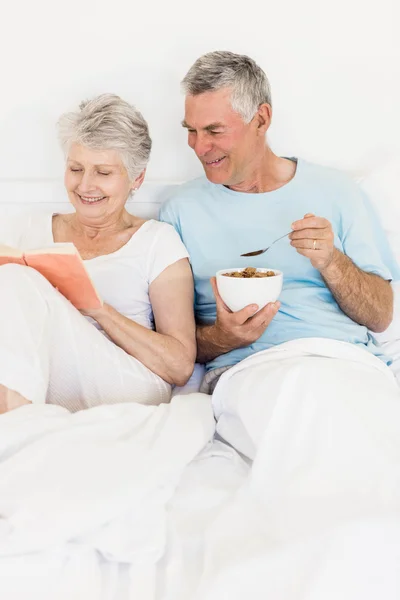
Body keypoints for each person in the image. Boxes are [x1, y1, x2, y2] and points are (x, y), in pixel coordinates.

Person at [159, 50, 399, 397]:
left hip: (344, 361)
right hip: (248, 371)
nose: (199, 146)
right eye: (192, 131)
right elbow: (175, 345)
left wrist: (332, 261)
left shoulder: (337, 191)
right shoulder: (180, 211)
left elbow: (380, 315)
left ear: (261, 119)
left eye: (214, 130)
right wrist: (223, 337)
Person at [0, 94, 196, 414]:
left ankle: (12, 434)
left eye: (103, 173)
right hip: (46, 373)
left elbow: (179, 366)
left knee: (15, 279)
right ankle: (15, 423)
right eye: (76, 168)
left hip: (129, 382)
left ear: (137, 179)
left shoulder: (157, 242)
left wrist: (99, 310)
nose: (85, 185)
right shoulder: (28, 227)